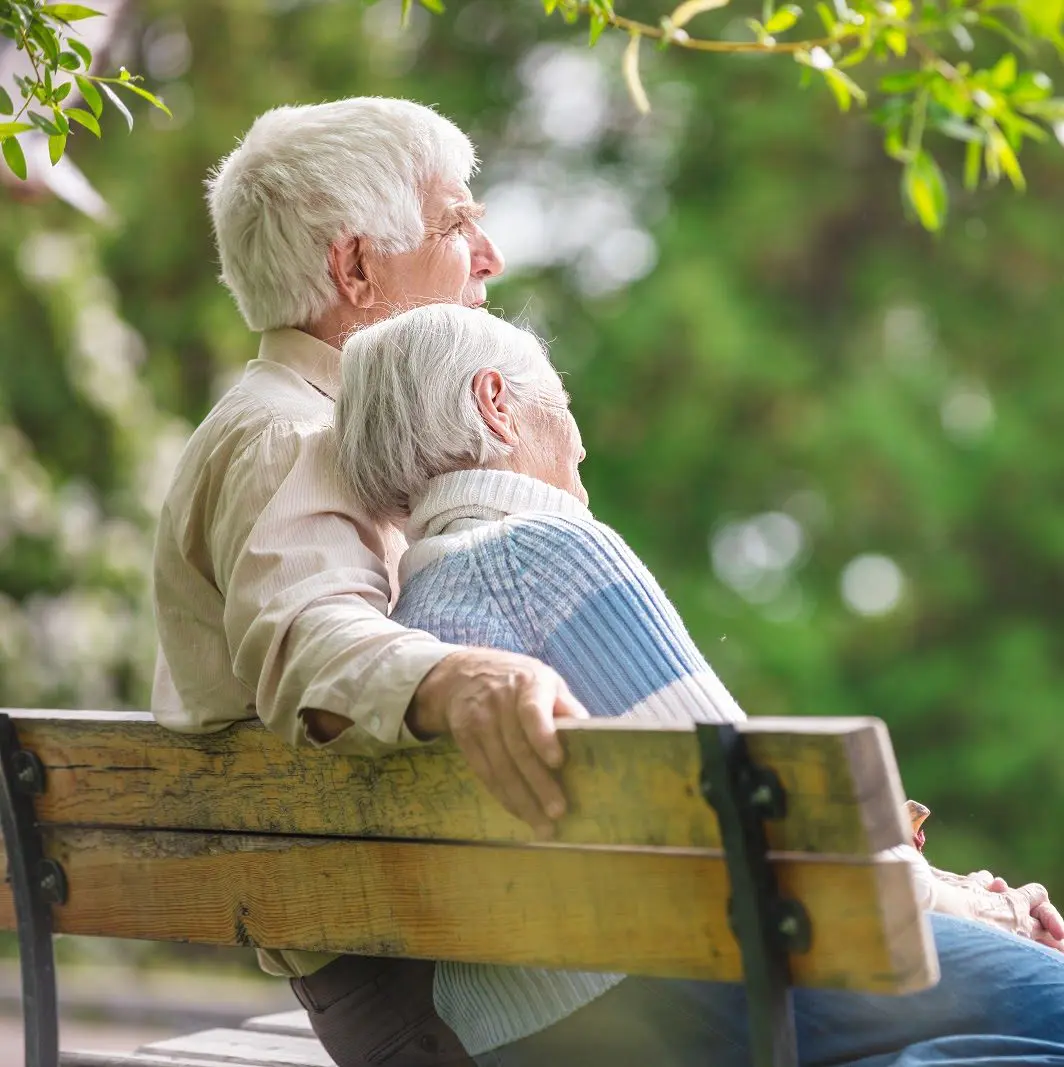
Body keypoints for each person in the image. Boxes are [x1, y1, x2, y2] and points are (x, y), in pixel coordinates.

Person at [332, 301, 1064, 1067]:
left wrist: (941, 885)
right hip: (679, 993)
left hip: (513, 1032)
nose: (579, 442)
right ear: (497, 404)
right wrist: (986, 908)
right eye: (566, 404)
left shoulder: (408, 621)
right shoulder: (546, 551)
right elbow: (771, 834)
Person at [151, 98, 589, 1067]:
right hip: (423, 981)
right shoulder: (294, 434)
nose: (490, 255)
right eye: (455, 222)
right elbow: (309, 636)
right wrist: (459, 679)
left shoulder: (337, 429)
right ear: (355, 268)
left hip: (442, 938)